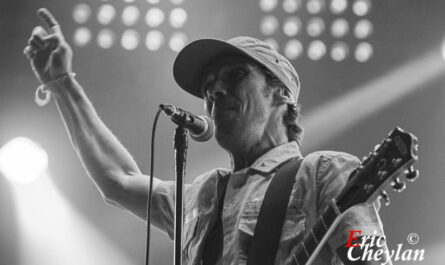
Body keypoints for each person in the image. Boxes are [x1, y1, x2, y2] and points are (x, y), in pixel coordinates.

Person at [24, 8, 392, 265]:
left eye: (234, 75)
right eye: (208, 87)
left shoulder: (324, 174)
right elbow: (117, 181)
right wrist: (62, 85)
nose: (214, 92)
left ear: (280, 92)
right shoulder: (200, 196)